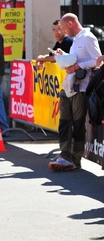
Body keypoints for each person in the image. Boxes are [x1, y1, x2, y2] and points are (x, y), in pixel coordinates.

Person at [48, 13, 101, 172]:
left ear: (70, 23)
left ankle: (75, 158)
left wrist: (77, 67)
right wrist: (63, 57)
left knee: (77, 123)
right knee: (64, 122)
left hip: (81, 88)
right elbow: (74, 59)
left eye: (63, 28)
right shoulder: (77, 39)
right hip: (69, 86)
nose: (62, 31)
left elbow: (98, 60)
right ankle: (64, 155)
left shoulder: (88, 38)